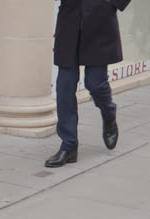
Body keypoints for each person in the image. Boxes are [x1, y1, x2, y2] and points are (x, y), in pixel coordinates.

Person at [45, 0, 131, 168]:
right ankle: (68, 146)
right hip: (70, 19)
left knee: (95, 83)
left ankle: (109, 114)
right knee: (65, 86)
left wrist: (111, 3)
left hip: (99, 19)